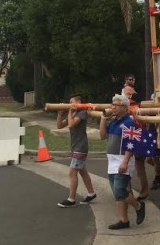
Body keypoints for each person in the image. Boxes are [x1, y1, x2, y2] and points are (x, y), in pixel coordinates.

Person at [99, 95, 146, 229]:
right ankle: (123, 220)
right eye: (112, 104)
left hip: (122, 161)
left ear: (125, 108)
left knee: (120, 190)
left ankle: (138, 206)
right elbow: (102, 136)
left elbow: (131, 144)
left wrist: (125, 162)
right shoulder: (113, 121)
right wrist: (103, 119)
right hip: (112, 161)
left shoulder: (130, 122)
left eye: (116, 105)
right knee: (117, 194)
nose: (113, 107)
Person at [56, 94, 97, 208]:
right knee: (83, 172)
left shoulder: (82, 113)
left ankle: (71, 199)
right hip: (75, 147)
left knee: (72, 173)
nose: (70, 104)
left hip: (81, 147)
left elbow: (71, 124)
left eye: (71, 101)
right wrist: (60, 113)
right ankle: (91, 193)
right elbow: (59, 126)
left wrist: (70, 112)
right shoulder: (73, 113)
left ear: (78, 102)